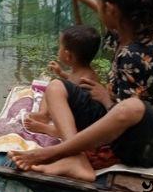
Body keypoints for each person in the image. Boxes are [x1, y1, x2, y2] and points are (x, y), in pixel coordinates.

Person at [10, 0, 153, 180]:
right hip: (130, 126)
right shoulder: (142, 27)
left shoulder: (134, 56)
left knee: (132, 106)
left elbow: (126, 116)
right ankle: (75, 157)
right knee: (57, 86)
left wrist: (106, 98)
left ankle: (57, 152)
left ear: (111, 10)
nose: (99, 11)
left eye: (101, 5)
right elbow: (112, 19)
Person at [23, 25, 105, 182]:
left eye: (60, 46)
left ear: (68, 56)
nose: (58, 49)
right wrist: (61, 73)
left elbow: (77, 96)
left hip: (81, 124)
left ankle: (47, 127)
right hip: (77, 109)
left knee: (55, 87)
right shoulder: (79, 71)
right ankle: (44, 115)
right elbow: (71, 84)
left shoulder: (88, 77)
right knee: (54, 85)